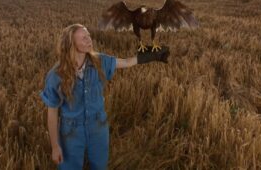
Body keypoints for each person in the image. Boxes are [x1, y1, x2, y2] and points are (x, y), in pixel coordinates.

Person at [39, 23, 170, 170]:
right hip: (71, 132)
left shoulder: (100, 61)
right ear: (71, 43)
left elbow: (126, 62)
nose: (89, 40)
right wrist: (55, 146)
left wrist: (150, 56)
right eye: (83, 38)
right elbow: (52, 113)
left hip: (98, 127)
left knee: (100, 166)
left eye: (89, 36)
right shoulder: (56, 75)